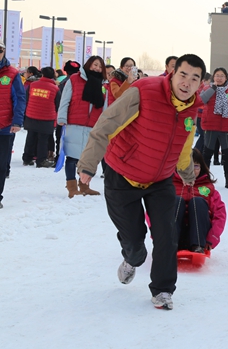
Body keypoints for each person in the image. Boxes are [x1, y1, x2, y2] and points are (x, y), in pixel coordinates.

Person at [77, 54, 206, 311]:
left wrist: (188, 174)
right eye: (183, 75)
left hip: (160, 180)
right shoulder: (144, 92)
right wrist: (88, 165)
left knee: (167, 235)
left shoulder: (192, 109)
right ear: (172, 73)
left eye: (195, 78)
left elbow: (184, 146)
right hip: (122, 174)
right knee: (136, 241)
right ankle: (131, 259)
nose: (187, 82)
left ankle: (163, 290)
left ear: (201, 83)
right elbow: (107, 124)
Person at [57, 55, 108, 198]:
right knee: (73, 158)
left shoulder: (104, 86)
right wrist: (62, 117)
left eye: (100, 66)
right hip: (74, 123)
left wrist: (104, 126)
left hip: (93, 126)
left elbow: (105, 108)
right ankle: (72, 187)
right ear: (88, 65)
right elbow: (65, 99)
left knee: (87, 158)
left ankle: (84, 186)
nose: (97, 68)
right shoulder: (74, 80)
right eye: (95, 65)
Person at [172, 148, 226, 253]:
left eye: (195, 166)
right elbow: (154, 211)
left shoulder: (208, 188)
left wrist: (212, 238)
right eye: (187, 166)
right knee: (176, 201)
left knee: (198, 202)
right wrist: (157, 236)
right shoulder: (169, 186)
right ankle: (169, 244)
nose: (191, 170)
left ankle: (198, 247)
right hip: (172, 236)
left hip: (200, 236)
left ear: (201, 167)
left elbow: (220, 214)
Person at [200, 67, 228, 190]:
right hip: (210, 125)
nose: (219, 78)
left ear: (226, 78)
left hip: (226, 127)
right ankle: (203, 179)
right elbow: (202, 99)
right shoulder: (207, 88)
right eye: (217, 75)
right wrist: (213, 88)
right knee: (207, 154)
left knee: (227, 155)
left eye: (222, 76)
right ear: (213, 77)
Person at [0, 41, 26, 209]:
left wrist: (17, 121)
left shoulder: (12, 73)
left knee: (1, 164)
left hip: (5, 127)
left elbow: (20, 98)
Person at [22, 67, 61, 168]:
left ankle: (27, 158)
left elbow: (26, 99)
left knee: (30, 136)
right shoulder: (55, 89)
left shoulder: (33, 85)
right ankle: (41, 160)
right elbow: (58, 104)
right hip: (47, 118)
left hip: (31, 115)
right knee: (43, 140)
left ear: (42, 74)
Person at [193, 72, 212, 154]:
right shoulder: (203, 89)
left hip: (199, 115)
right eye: (209, 81)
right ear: (204, 80)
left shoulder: (197, 88)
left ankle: (198, 152)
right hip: (201, 115)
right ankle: (196, 151)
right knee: (203, 136)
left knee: (203, 135)